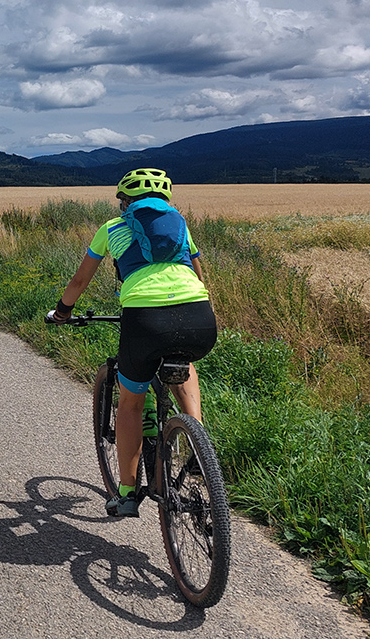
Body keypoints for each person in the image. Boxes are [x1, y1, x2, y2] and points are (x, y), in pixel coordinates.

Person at [49, 168, 218, 517]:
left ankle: (127, 494)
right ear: (165, 200)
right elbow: (200, 277)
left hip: (145, 321)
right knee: (184, 362)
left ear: (125, 202)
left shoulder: (112, 228)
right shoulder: (180, 225)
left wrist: (62, 312)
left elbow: (79, 281)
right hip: (198, 316)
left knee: (130, 405)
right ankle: (198, 444)